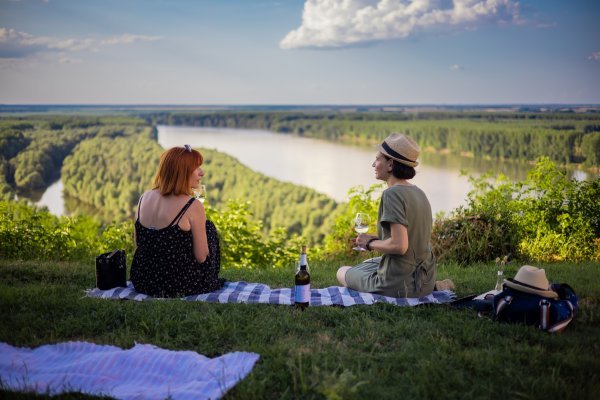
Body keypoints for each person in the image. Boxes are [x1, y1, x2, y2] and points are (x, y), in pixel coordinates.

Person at [336, 133, 448, 298]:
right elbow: (409, 238)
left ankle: (390, 287)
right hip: (426, 280)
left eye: (377, 159)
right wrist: (372, 238)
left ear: (390, 164)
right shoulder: (419, 193)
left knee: (342, 271)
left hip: (399, 284)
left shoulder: (392, 194)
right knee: (368, 263)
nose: (374, 164)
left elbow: (400, 246)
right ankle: (432, 287)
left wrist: (371, 243)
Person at [130, 144, 224, 297]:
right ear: (182, 171)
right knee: (208, 227)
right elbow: (201, 258)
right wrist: (199, 208)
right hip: (178, 285)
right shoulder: (193, 206)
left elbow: (138, 243)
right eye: (197, 168)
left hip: (143, 280)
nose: (202, 173)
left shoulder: (144, 197)